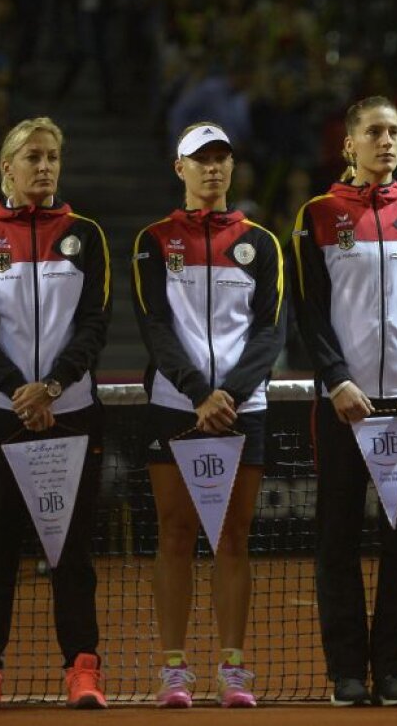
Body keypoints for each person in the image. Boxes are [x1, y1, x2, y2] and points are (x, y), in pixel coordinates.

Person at [291, 96, 397, 706]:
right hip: (344, 406)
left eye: (393, 132)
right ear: (349, 144)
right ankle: (346, 675)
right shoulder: (317, 214)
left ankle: (392, 671)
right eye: (373, 132)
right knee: (336, 541)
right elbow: (308, 312)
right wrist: (336, 379)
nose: (386, 142)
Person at [0, 117, 111, 709]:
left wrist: (53, 386)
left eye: (52, 157)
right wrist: (22, 390)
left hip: (72, 412)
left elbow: (95, 323)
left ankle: (82, 669)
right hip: (0, 413)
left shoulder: (87, 236)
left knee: (70, 551)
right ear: (7, 168)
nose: (44, 167)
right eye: (33, 157)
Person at [132, 122, 285, 708]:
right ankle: (174, 667)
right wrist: (199, 393)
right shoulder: (152, 240)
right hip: (176, 406)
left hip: (244, 409)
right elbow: (155, 328)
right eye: (201, 159)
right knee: (174, 534)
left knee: (234, 537)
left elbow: (271, 331)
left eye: (222, 158)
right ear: (180, 169)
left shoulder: (261, 243)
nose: (213, 168)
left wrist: (233, 394)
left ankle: (232, 667)